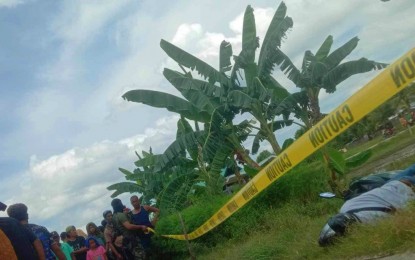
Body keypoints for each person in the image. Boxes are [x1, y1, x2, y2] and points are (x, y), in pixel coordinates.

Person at [319, 163, 415, 246]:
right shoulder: (345, 207)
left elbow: (398, 213)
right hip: (392, 183)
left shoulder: (370, 221)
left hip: (408, 189)